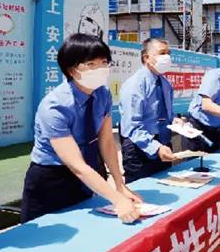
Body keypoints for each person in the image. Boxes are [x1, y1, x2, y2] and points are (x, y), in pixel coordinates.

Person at [21, 34, 142, 223]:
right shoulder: (55, 106)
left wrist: (120, 185)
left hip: (88, 174)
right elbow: (76, 165)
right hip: (52, 178)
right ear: (72, 70)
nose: (100, 69)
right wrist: (118, 200)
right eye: (91, 64)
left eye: (104, 62)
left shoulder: (103, 94)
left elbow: (106, 141)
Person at [118, 38, 178, 182]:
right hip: (139, 147)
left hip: (163, 144)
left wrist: (176, 121)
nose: (167, 57)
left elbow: (168, 114)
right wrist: (155, 148)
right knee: (142, 193)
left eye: (168, 53)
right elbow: (132, 126)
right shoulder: (135, 84)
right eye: (162, 53)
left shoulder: (165, 84)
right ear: (146, 58)